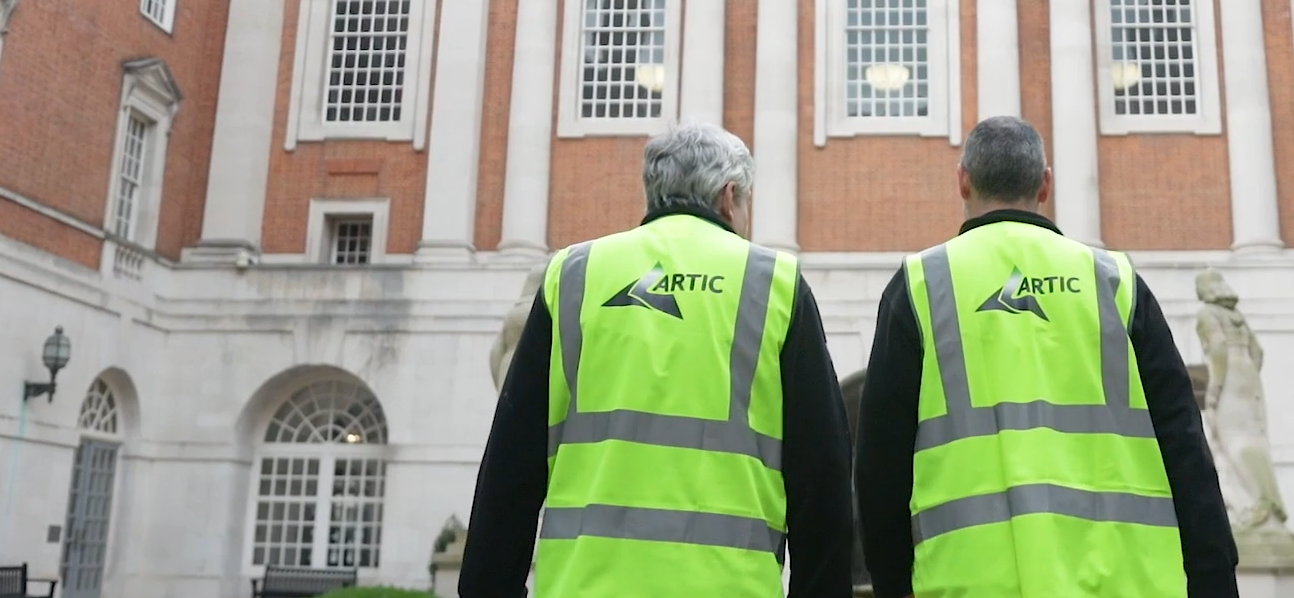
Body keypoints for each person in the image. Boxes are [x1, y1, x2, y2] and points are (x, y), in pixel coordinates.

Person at [460, 123, 854, 598]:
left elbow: (510, 468)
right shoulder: (774, 284)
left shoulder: (573, 276)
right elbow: (822, 477)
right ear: (730, 197)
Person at [853, 116, 1239, 598]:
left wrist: (893, 585)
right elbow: (1185, 450)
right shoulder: (1114, 283)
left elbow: (878, 470)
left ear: (963, 181)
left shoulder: (922, 285)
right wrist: (1215, 580)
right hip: (1125, 584)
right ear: (1045, 184)